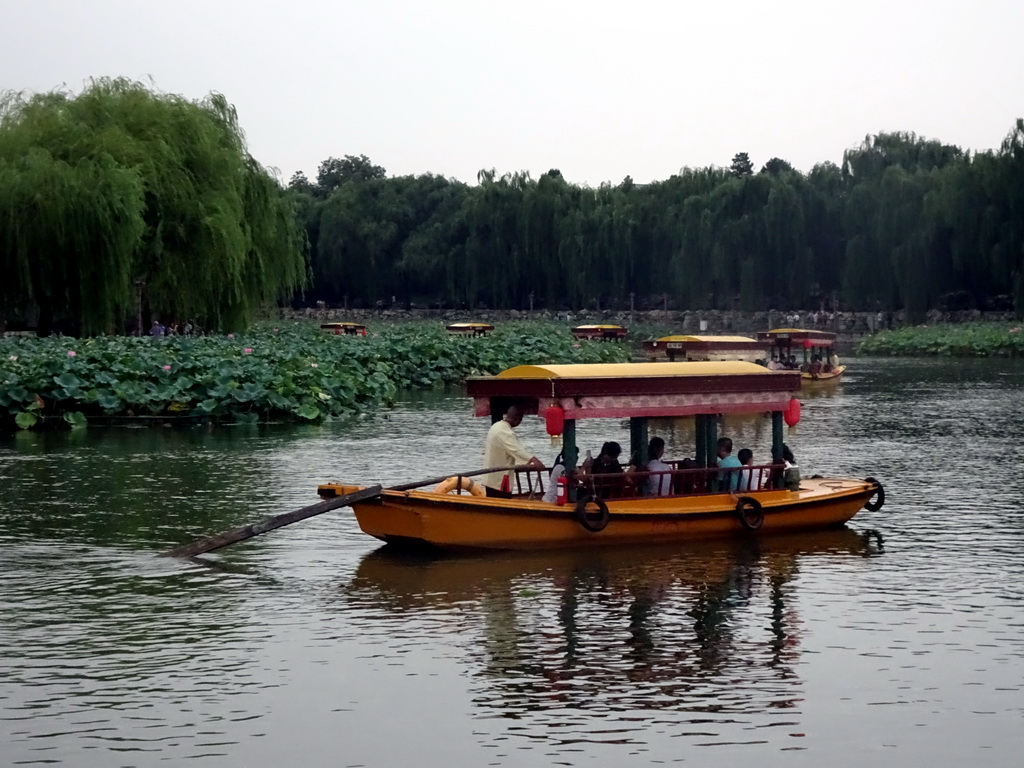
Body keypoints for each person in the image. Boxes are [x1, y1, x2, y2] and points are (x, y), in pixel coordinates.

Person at [482, 404, 544, 498]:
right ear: (518, 418)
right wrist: (534, 460)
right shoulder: (505, 432)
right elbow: (517, 450)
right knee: (501, 505)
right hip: (499, 479)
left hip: (491, 476)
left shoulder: (496, 426)